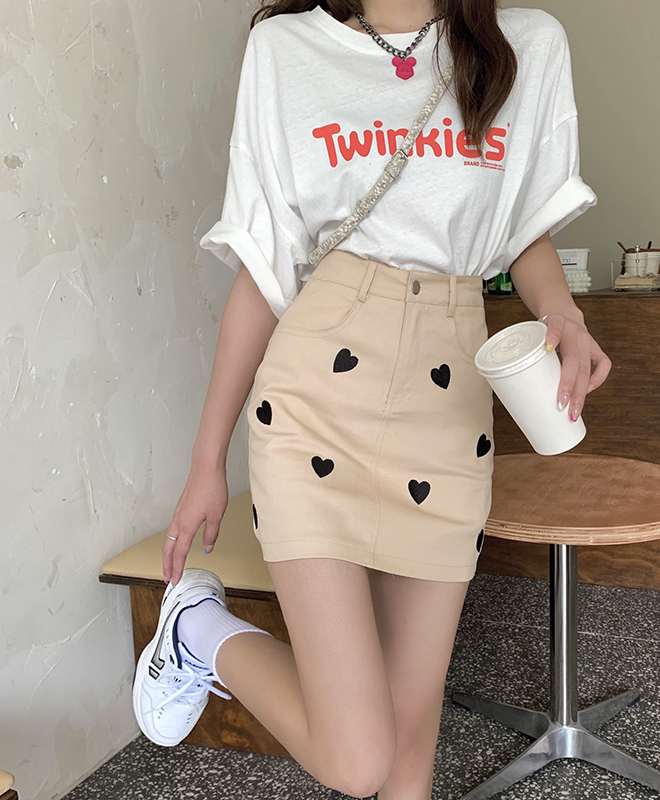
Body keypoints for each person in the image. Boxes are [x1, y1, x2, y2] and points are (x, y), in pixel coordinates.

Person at [131, 2, 612, 798]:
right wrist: (206, 459)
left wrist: (563, 313)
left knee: (409, 739)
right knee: (357, 760)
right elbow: (263, 264)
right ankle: (195, 628)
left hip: (448, 402)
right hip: (317, 390)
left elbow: (521, 226)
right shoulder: (286, 49)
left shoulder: (524, 44)